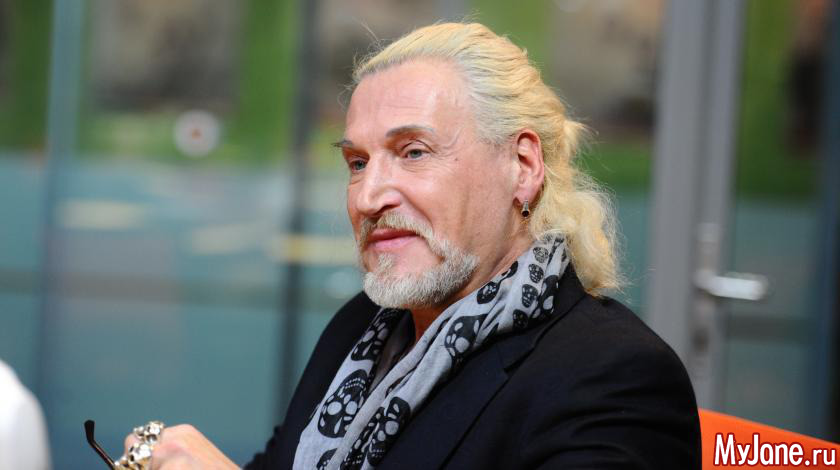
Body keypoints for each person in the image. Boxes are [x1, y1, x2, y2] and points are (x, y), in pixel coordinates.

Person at [121, 22, 701, 469]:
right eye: (357, 162)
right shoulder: (363, 326)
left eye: (413, 152)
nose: (368, 196)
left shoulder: (613, 376)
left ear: (522, 167)